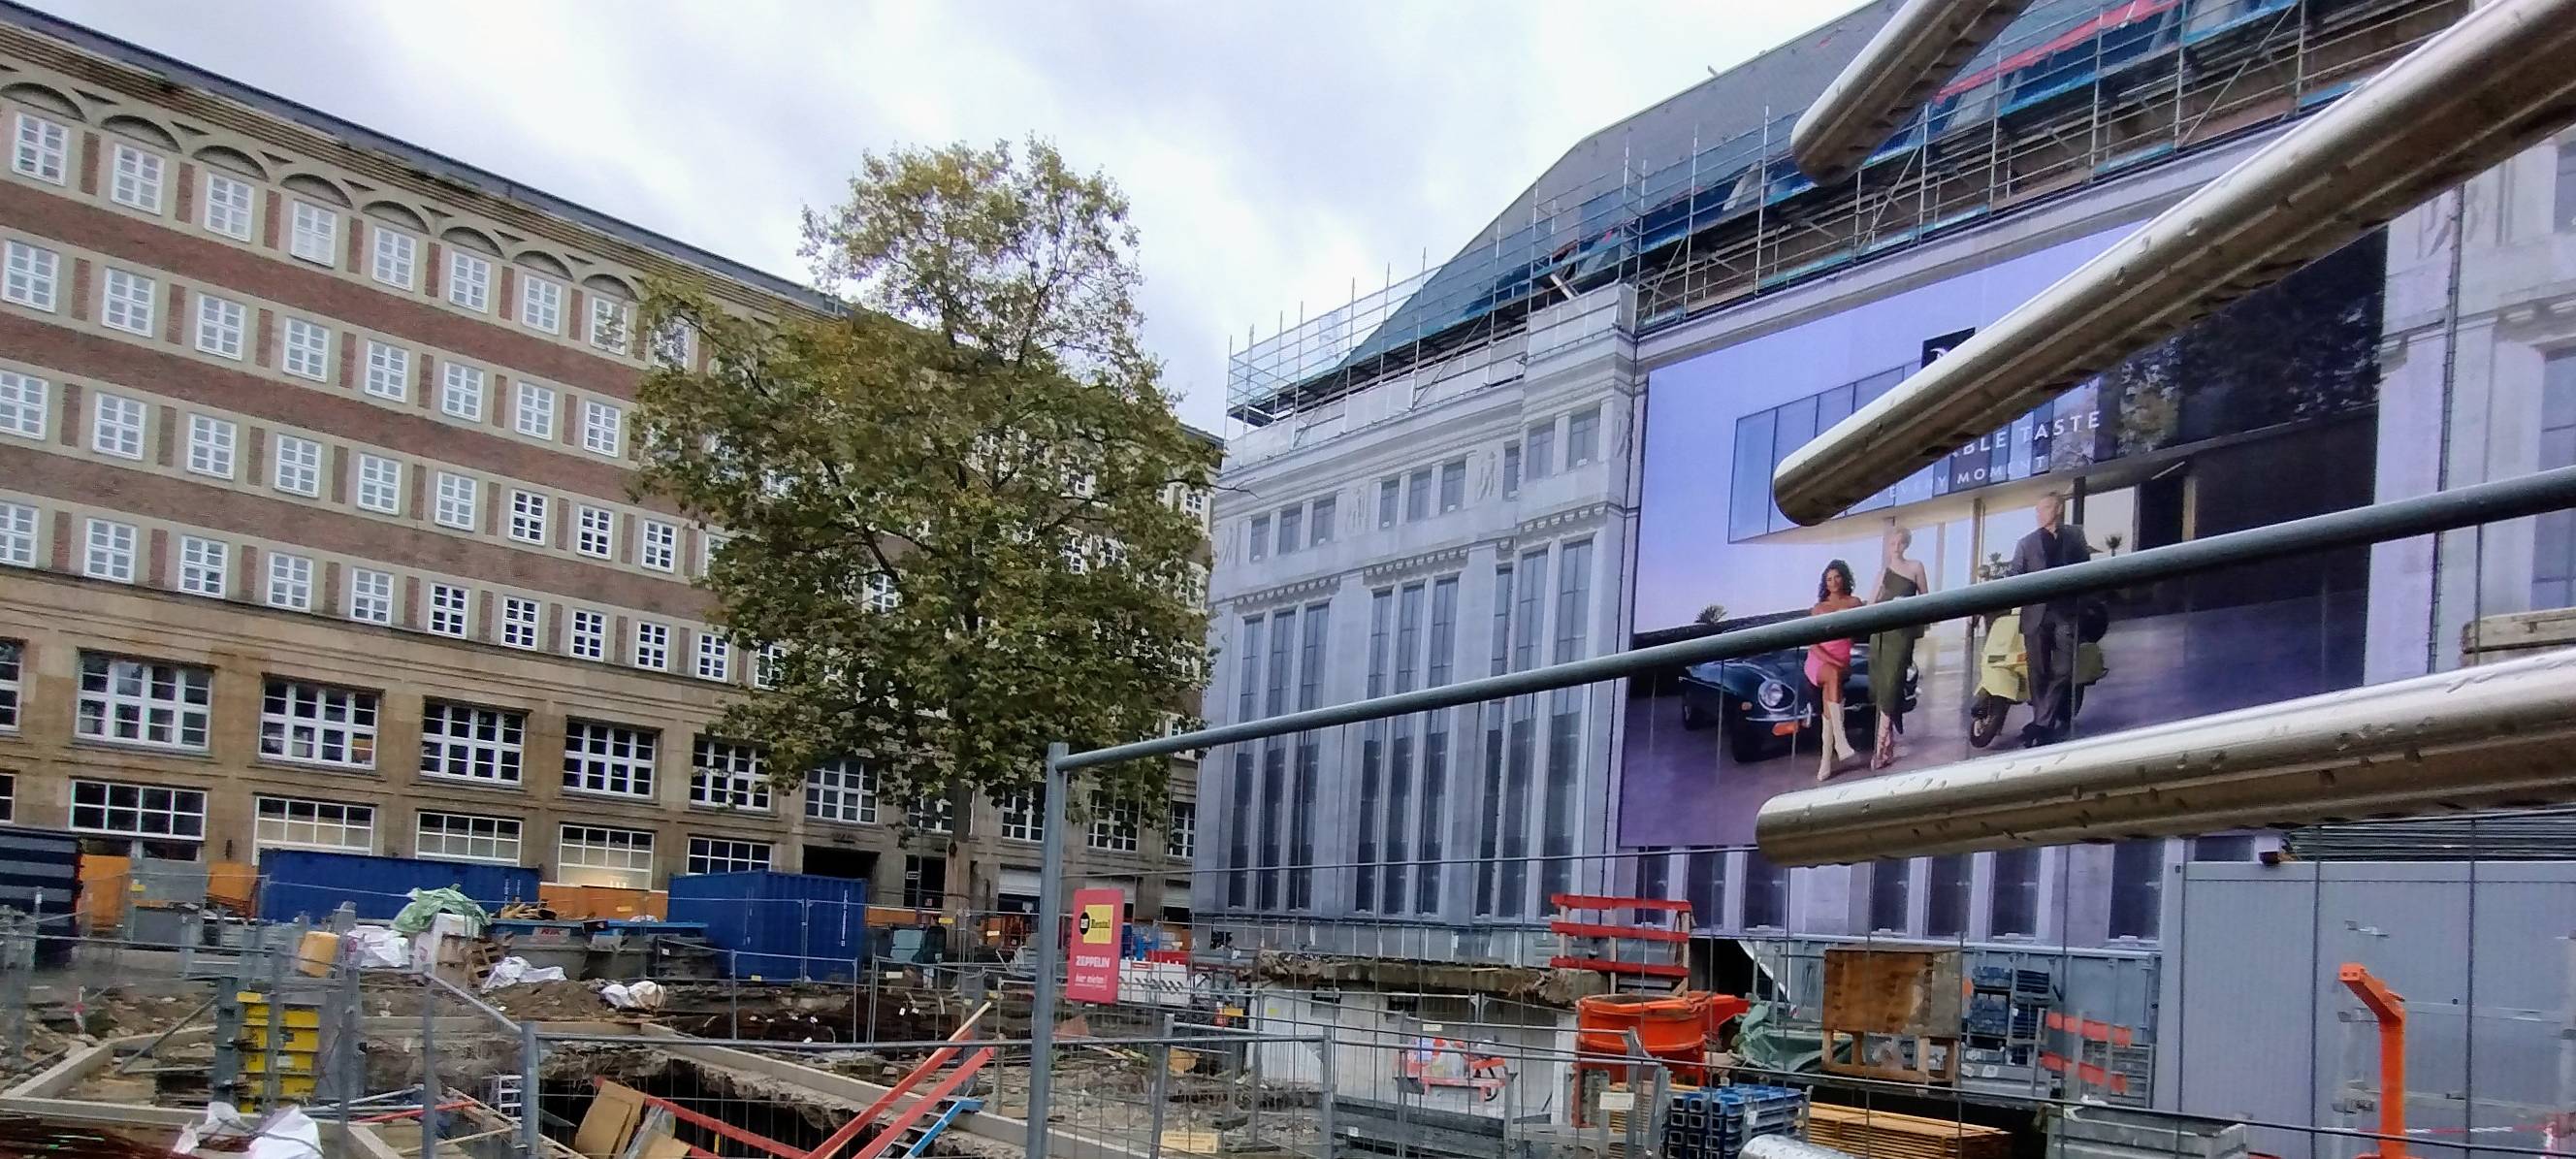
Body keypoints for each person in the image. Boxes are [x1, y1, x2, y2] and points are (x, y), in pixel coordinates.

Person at [2007, 492, 2092, 747]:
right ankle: (2043, 723)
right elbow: (2014, 576)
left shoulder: (2075, 536)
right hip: (2036, 614)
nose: (2039, 514)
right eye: (2037, 510)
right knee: (2038, 671)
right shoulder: (2026, 543)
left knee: (2065, 669)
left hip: (2067, 611)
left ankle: (2040, 723)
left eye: (2043, 508)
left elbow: (2085, 569)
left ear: (2057, 509)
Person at [1868, 527, 1931, 770]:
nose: (1896, 547)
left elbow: (1926, 599)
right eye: (1892, 543)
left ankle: (1880, 747)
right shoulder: (1882, 573)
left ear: (1906, 544)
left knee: (1893, 685)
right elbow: (1871, 604)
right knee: (1883, 687)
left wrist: (1908, 606)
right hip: (1882, 635)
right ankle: (1887, 746)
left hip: (1902, 634)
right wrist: (1882, 597)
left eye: (1900, 543)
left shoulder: (1916, 567)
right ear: (1888, 545)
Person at [1806, 560, 1864, 781]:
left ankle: (1825, 762)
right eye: (1829, 579)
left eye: (1837, 577)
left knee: (1829, 709)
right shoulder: (1818, 608)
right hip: (1819, 661)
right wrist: (1836, 664)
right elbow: (1813, 644)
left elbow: (1865, 629)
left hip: (1840, 663)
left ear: (1844, 578)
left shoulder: (1854, 603)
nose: (1833, 582)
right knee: (1831, 674)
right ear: (1825, 582)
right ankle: (1841, 743)